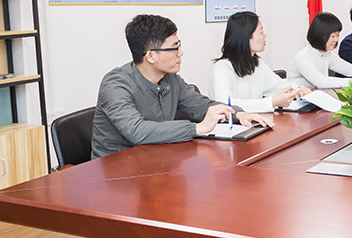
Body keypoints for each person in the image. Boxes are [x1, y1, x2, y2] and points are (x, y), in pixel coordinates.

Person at [91, 14, 272, 158]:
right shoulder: (115, 85)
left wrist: (239, 114)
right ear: (151, 56)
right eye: (174, 48)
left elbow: (201, 105)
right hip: (115, 173)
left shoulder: (171, 80)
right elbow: (137, 131)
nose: (181, 53)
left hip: (156, 160)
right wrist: (197, 128)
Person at [210, 11, 310, 113]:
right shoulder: (222, 68)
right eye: (261, 32)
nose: (265, 36)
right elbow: (226, 103)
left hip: (256, 120)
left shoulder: (257, 64)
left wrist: (297, 89)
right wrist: (271, 102)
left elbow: (279, 85)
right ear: (246, 37)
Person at [287, 11, 352, 90]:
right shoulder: (303, 57)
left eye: (337, 35)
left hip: (317, 94)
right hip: (298, 96)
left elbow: (351, 70)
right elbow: (321, 82)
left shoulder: (327, 54)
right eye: (333, 36)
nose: (336, 40)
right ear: (320, 35)